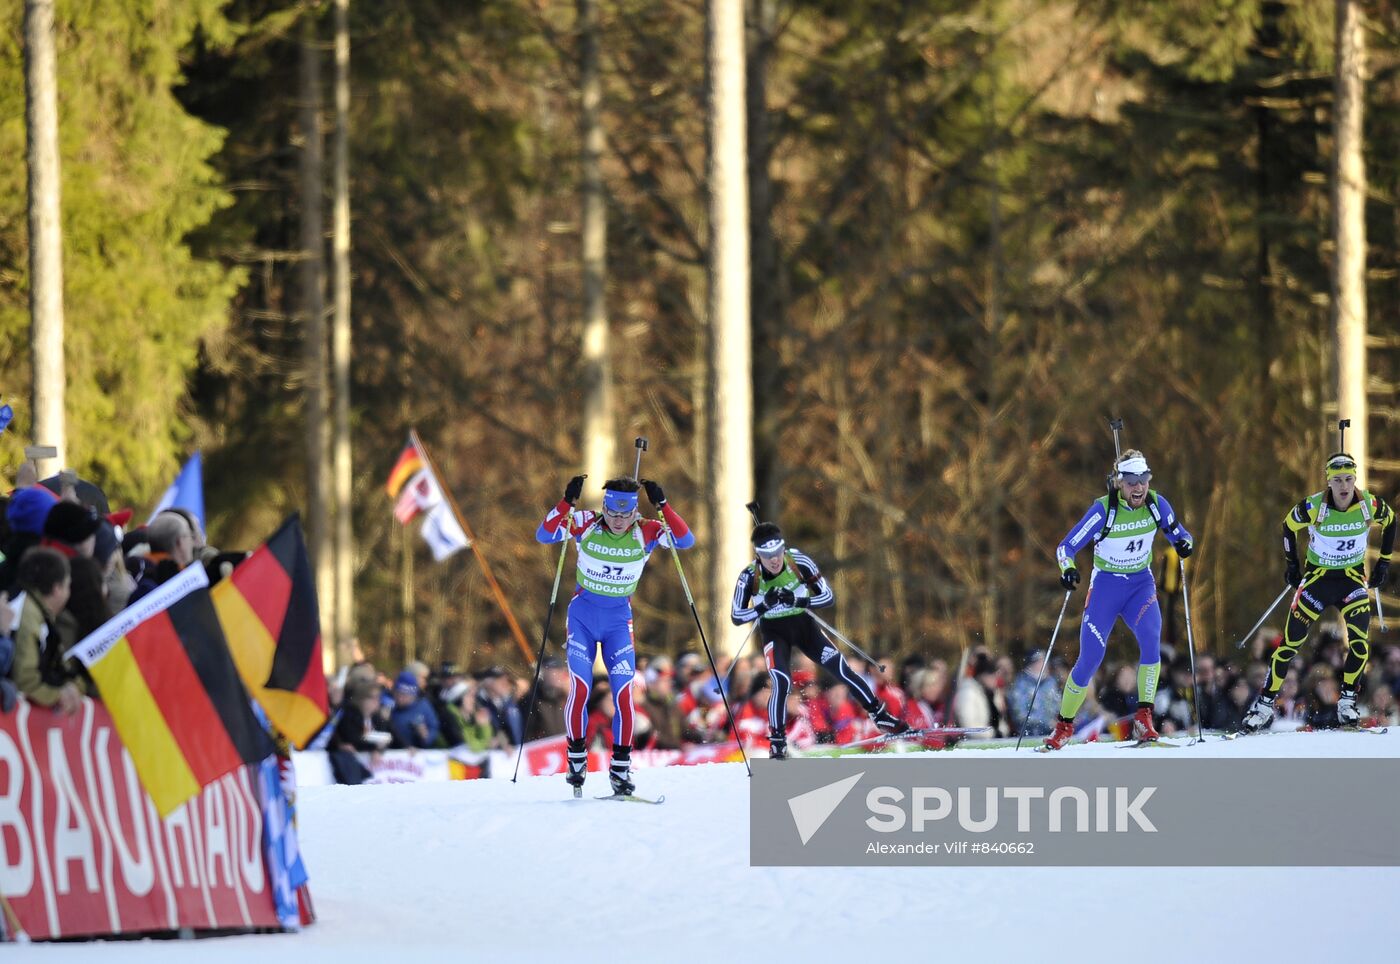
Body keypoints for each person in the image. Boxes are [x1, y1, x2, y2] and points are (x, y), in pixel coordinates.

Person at [536, 474, 694, 796]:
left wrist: (663, 505)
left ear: (634, 512)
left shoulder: (646, 530)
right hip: (582, 617)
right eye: (613, 513)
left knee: (624, 694)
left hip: (618, 623)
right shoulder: (585, 522)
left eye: (626, 514)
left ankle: (621, 769)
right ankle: (576, 756)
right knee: (581, 687)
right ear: (604, 509)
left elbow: (685, 540)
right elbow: (544, 534)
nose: (619, 521)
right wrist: (566, 502)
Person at [1043, 449, 1193, 750]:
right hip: (1106, 589)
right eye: (1131, 481)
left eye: (1143, 480)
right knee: (1090, 659)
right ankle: (1063, 727)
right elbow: (1066, 547)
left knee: (1152, 642)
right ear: (1119, 483)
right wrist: (1068, 569)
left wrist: (1184, 542)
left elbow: (1179, 532)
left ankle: (1144, 717)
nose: (1138, 488)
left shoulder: (1157, 504)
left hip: (1140, 586)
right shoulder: (1103, 510)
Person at [1242, 452, 1395, 731]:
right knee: (1289, 645)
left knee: (1360, 644)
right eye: (1338, 480)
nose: (1344, 486)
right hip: (1318, 581)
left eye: (1349, 479)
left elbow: (1391, 521)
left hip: (1350, 580)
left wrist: (1383, 562)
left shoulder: (1368, 505)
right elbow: (1288, 526)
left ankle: (1347, 700)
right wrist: (1292, 565)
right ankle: (1263, 705)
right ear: (1329, 482)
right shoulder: (1314, 506)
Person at [729, 520, 907, 760]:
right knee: (780, 683)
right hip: (775, 633)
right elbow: (736, 616)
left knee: (841, 669)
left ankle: (880, 715)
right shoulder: (749, 575)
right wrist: (763, 606)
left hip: (804, 628)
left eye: (778, 552)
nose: (774, 559)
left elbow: (828, 597)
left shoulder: (798, 561)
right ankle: (778, 741)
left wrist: (800, 600)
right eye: (767, 555)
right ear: (758, 555)